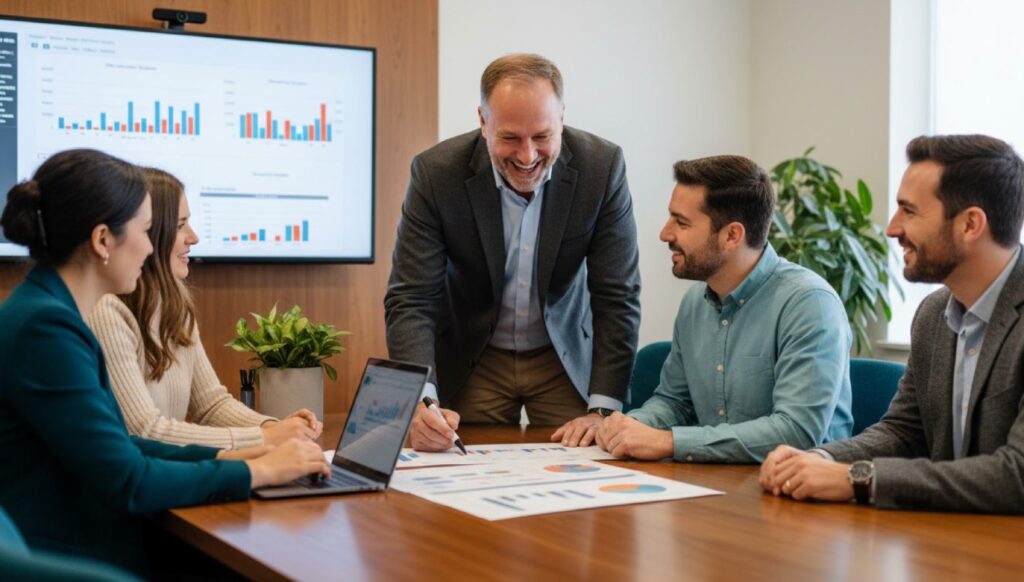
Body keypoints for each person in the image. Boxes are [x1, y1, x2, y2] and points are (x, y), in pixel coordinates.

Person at [0, 149, 329, 577]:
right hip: (77, 558)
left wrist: (244, 458)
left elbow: (121, 447)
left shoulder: (47, 311)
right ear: (102, 240)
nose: (151, 246)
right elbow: (129, 480)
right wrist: (255, 472)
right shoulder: (47, 328)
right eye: (146, 230)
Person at [385, 53, 641, 451]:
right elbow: (412, 298)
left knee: (581, 478)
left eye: (542, 136)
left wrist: (603, 407)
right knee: (458, 475)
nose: (527, 156)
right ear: (483, 122)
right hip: (474, 355)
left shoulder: (601, 167)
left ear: (562, 119)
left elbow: (617, 295)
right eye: (509, 138)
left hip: (562, 355)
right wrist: (422, 400)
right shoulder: (436, 174)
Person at [759, 134, 1024, 513]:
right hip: (951, 546)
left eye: (909, 211)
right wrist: (819, 459)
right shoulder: (934, 314)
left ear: (970, 225)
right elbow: (904, 433)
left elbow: (1017, 475)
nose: (892, 228)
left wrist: (860, 479)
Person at [594, 155, 853, 463]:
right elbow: (675, 401)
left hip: (801, 494)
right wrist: (628, 427)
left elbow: (795, 431)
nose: (665, 234)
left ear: (732, 235)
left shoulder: (809, 303)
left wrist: (669, 441)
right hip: (717, 483)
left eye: (682, 222)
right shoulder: (694, 303)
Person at [86, 167, 322, 449]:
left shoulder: (176, 305)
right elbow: (143, 431)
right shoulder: (107, 311)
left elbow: (210, 405)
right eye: (179, 226)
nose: (193, 237)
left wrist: (276, 427)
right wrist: (265, 438)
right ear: (148, 232)